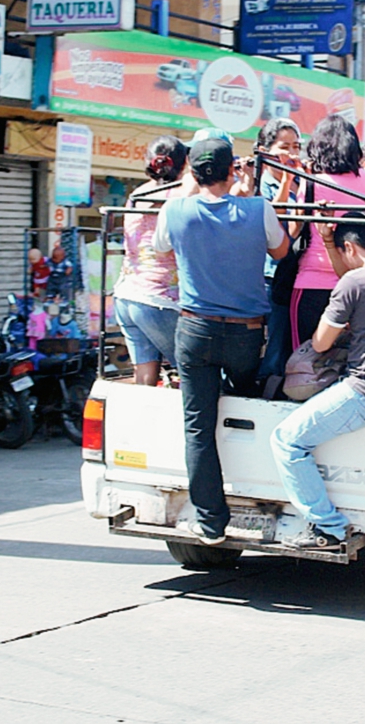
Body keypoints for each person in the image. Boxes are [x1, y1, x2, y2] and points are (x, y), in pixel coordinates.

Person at [152, 139, 290, 545]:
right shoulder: (256, 209)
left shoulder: (175, 209)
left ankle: (211, 520)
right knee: (247, 409)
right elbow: (281, 251)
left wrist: (192, 189)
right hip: (246, 332)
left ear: (192, 173)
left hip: (195, 330)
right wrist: (245, 193)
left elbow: (160, 245)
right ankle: (255, 491)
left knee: (199, 426)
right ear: (233, 170)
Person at [270, 216, 365, 550]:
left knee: (287, 441)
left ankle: (328, 528)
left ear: (349, 247)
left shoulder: (354, 283)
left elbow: (321, 343)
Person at [290, 117, 365, 348]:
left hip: (312, 279)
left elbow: (293, 228)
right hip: (354, 279)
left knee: (304, 358)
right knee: (346, 357)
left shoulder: (311, 183)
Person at [113, 136, 188, 385]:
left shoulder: (137, 193)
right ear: (185, 163)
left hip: (126, 294)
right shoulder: (181, 195)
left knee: (144, 378)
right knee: (193, 370)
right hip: (160, 299)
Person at [252, 118, 303, 383]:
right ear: (264, 151)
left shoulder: (301, 181)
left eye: (296, 146)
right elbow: (274, 223)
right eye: (285, 147)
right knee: (268, 341)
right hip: (267, 275)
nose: (292, 154)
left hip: (295, 273)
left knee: (284, 340)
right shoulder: (256, 185)